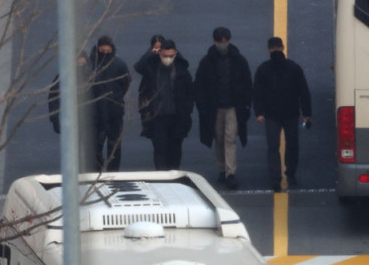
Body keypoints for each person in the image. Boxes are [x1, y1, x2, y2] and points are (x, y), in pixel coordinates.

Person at [194, 26, 252, 189]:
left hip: (232, 106)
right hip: (216, 106)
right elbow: (199, 85)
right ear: (215, 41)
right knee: (219, 138)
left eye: (224, 42)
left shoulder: (236, 60)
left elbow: (247, 83)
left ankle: (229, 171)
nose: (222, 44)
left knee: (229, 138)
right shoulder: (209, 62)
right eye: (220, 41)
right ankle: (223, 168)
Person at [252, 36, 312, 191]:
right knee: (292, 145)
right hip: (291, 113)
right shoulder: (294, 67)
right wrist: (307, 113)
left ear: (268, 49)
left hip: (271, 115)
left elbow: (257, 93)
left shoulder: (263, 69)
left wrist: (259, 112)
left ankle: (275, 179)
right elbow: (303, 92)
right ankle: (290, 174)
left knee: (273, 146)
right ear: (283, 47)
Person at [134, 38, 195, 170]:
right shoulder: (152, 68)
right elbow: (138, 67)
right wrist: (151, 52)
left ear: (175, 54)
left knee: (175, 149)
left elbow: (190, 91)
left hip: (177, 116)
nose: (168, 58)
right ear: (159, 53)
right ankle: (161, 176)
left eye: (171, 56)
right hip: (157, 117)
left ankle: (173, 175)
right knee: (160, 148)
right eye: (165, 55)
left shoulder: (181, 69)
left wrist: (187, 110)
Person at [48, 51, 97, 170]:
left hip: (87, 117)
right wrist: (55, 119)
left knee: (87, 147)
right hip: (73, 117)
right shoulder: (66, 76)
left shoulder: (90, 76)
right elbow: (54, 97)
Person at [89, 34, 131, 172]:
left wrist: (116, 97)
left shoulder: (118, 64)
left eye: (108, 51)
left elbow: (125, 82)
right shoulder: (91, 65)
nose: (105, 53)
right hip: (96, 112)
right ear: (98, 48)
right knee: (96, 146)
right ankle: (98, 171)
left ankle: (112, 173)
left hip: (114, 110)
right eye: (103, 51)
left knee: (114, 145)